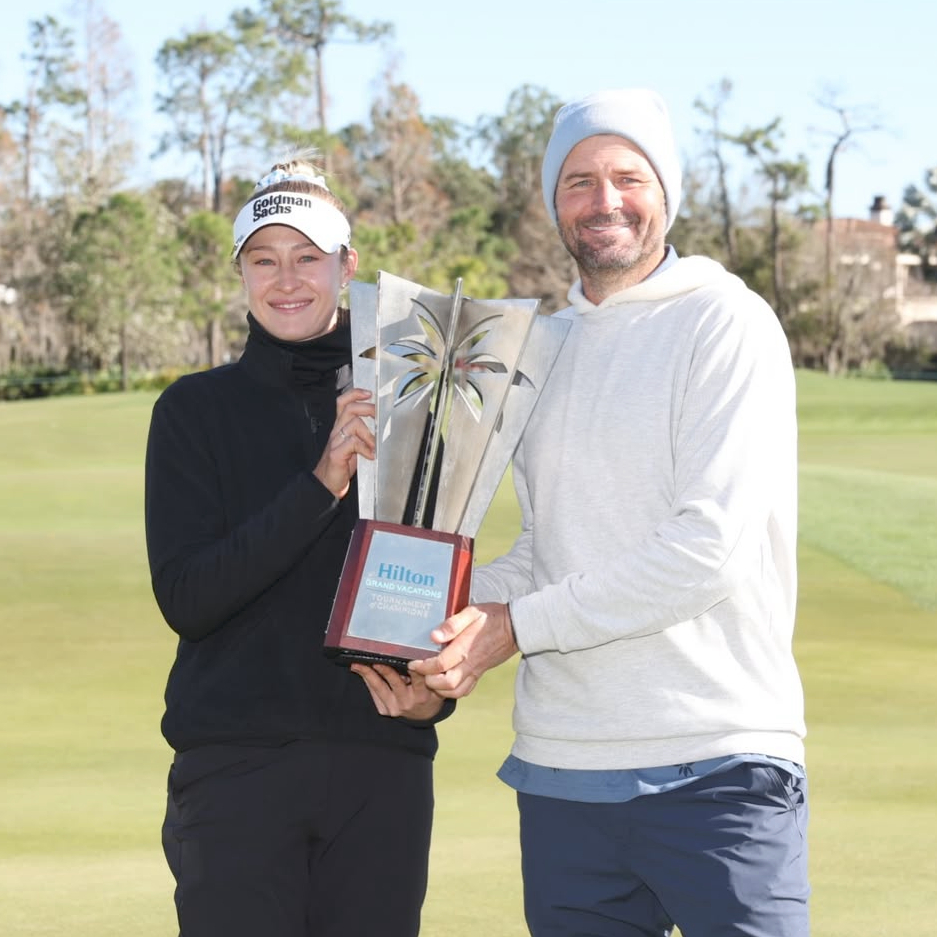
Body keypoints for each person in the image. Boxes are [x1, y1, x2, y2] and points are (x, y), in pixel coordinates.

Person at [410, 88, 809, 937]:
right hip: (563, 772)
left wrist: (510, 626)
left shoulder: (726, 322)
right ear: (554, 202)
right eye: (579, 181)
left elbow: (707, 549)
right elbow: (549, 546)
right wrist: (432, 613)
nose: (605, 201)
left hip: (719, 763)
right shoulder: (538, 348)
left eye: (628, 176)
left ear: (665, 192)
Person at [144, 154, 452, 937]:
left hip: (379, 763)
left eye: (307, 258)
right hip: (235, 768)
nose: (286, 280)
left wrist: (436, 694)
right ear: (241, 273)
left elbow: (430, 577)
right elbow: (189, 597)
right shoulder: (193, 411)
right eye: (264, 260)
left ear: (346, 266)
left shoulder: (407, 402)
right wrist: (322, 480)